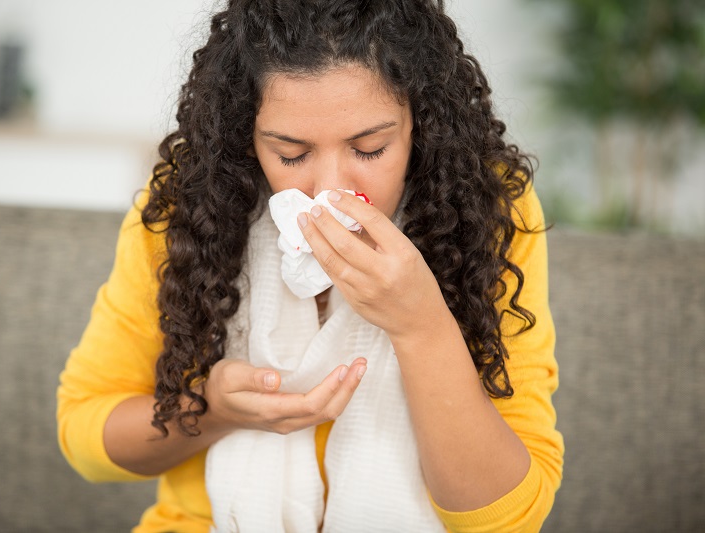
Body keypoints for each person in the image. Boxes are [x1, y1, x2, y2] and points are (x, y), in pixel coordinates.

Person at [57, 0, 564, 531]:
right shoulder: (189, 208)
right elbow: (83, 434)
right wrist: (210, 413)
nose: (329, 191)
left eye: (370, 148)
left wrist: (420, 324)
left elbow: (513, 517)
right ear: (244, 136)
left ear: (422, 122)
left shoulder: (486, 207)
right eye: (291, 154)